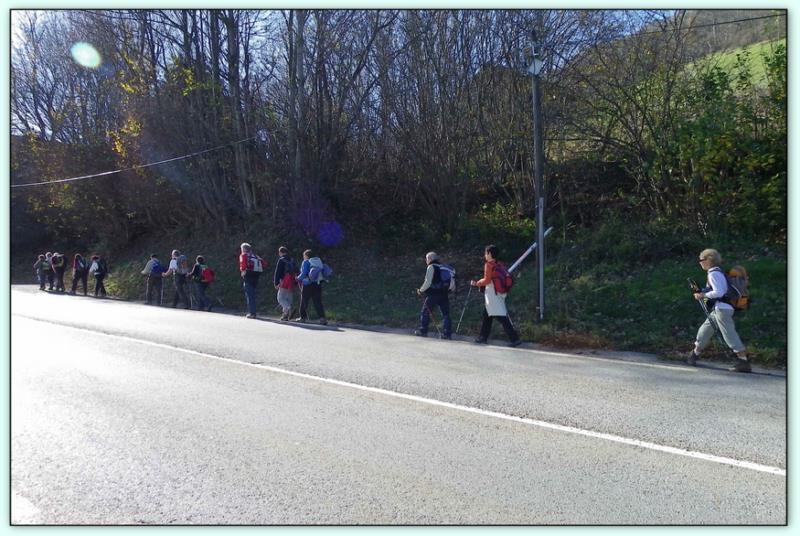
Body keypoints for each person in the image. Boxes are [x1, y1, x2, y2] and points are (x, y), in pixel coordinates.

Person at [688, 248, 751, 373]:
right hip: (719, 308)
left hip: (722, 309)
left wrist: (703, 295)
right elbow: (718, 291)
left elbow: (719, 292)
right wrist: (703, 293)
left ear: (708, 260)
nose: (700, 262)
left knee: (729, 334)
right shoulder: (717, 272)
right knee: (705, 330)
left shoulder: (714, 274)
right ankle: (694, 354)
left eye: (701, 260)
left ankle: (743, 361)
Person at [470, 244, 521, 347]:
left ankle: (514, 339)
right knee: (487, 316)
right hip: (499, 293)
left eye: (486, 253)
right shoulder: (499, 264)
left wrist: (477, 283)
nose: (485, 255)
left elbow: (487, 280)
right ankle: (483, 337)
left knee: (501, 317)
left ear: (489, 254)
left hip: (492, 294)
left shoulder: (488, 265)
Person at [414, 251, 454, 339]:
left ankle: (423, 331)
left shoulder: (431, 267)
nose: (426, 261)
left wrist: (421, 290)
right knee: (446, 314)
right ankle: (447, 333)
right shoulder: (443, 267)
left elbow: (428, 282)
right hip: (444, 294)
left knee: (425, 311)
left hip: (433, 294)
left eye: (426, 258)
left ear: (430, 259)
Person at [295, 249, 327, 325]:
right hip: (318, 283)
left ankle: (302, 318)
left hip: (307, 284)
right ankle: (322, 318)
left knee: (304, 301)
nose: (303, 257)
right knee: (318, 301)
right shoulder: (317, 262)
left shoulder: (306, 262)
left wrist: (297, 278)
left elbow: (304, 273)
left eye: (304, 256)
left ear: (306, 256)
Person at [239, 242, 264, 318]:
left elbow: (243, 265)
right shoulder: (255, 256)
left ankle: (252, 313)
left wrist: (243, 271)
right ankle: (253, 312)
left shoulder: (243, 255)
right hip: (256, 277)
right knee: (252, 295)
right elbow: (264, 264)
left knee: (250, 296)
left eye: (241, 248)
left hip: (248, 276)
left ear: (244, 249)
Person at [274, 246, 298, 321]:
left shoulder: (281, 260)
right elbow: (296, 271)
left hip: (284, 281)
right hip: (292, 281)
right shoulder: (292, 260)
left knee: (280, 298)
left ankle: (289, 308)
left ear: (280, 252)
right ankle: (285, 316)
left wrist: (276, 283)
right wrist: (296, 283)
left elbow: (278, 272)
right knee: (288, 298)